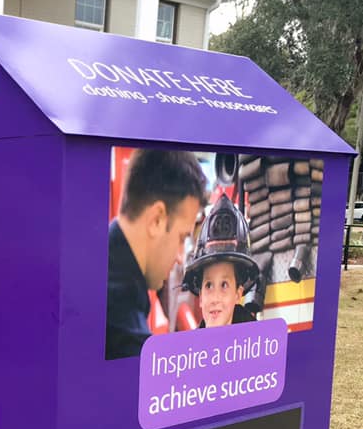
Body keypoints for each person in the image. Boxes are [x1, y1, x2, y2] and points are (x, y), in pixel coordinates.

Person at [105, 149, 207, 359]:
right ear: (157, 220)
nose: (180, 257)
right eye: (181, 238)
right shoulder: (119, 317)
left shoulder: (102, 259)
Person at [181, 195, 259, 328]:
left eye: (224, 285)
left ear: (238, 294)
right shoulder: (187, 348)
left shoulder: (261, 346)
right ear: (200, 297)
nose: (215, 299)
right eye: (209, 286)